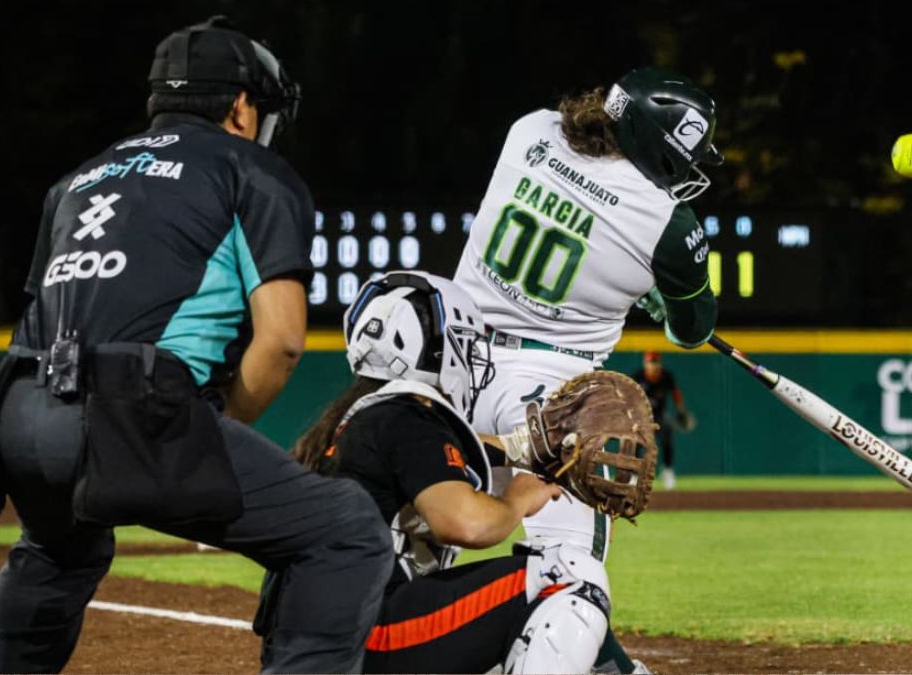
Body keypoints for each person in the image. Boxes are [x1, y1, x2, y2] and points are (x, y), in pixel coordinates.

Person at [0, 17, 391, 673]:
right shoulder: (252, 169)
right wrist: (214, 426)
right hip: (131, 412)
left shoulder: (76, 181)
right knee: (347, 532)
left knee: (59, 547)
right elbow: (280, 341)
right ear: (243, 107)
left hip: (15, 411)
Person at [453, 66, 721, 672]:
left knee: (418, 538)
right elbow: (691, 330)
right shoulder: (667, 226)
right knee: (570, 572)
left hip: (450, 361)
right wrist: (654, 293)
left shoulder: (531, 129)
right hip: (550, 400)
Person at [273, 270, 615, 674]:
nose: (471, 358)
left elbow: (455, 453)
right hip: (368, 634)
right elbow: (464, 524)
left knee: (505, 638)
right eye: (466, 344)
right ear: (434, 348)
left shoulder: (357, 421)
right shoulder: (409, 414)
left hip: (314, 642)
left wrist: (527, 447)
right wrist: (518, 499)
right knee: (568, 575)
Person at [631, 351, 693, 490]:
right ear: (645, 364)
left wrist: (681, 409)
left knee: (667, 438)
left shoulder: (666, 376)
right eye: (650, 362)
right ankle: (634, 475)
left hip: (659, 414)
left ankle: (667, 471)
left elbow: (675, 393)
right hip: (642, 416)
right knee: (637, 443)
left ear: (660, 363)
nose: (653, 365)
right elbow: (629, 395)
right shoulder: (638, 376)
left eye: (655, 362)